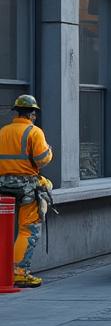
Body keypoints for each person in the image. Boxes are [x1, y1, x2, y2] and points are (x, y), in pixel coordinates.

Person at [0, 95, 54, 288]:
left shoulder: (3, 131)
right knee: (27, 230)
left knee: (4, 230)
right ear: (33, 114)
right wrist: (49, 151)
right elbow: (42, 159)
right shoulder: (34, 132)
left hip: (2, 185)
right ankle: (19, 272)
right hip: (26, 186)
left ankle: (5, 271)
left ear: (16, 112)